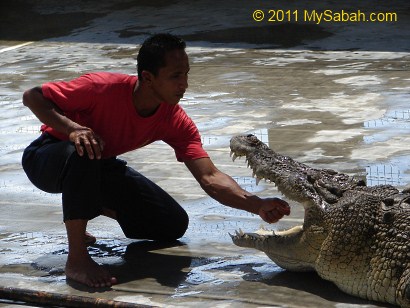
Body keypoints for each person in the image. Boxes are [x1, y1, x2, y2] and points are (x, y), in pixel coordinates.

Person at [21, 33, 290, 288]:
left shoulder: (175, 119)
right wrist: (73, 129)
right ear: (148, 78)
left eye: (186, 74)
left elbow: (210, 177)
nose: (184, 84)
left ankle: (84, 205)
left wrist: (257, 205)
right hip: (48, 158)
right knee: (86, 149)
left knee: (171, 224)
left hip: (98, 166)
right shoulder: (101, 87)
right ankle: (77, 258)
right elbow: (33, 97)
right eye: (175, 76)